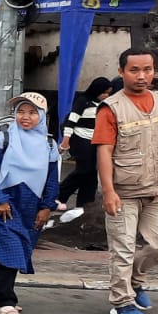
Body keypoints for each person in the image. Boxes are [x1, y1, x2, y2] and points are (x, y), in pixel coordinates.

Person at [94, 48, 158, 314]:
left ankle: (135, 281)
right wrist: (108, 191)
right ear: (122, 72)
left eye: (147, 69)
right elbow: (104, 150)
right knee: (122, 249)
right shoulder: (111, 108)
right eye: (134, 70)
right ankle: (122, 301)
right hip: (124, 193)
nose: (141, 76)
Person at [0, 93, 60, 314]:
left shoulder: (49, 144)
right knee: (11, 246)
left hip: (31, 206)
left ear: (42, 116)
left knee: (21, 248)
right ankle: (7, 299)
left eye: (32, 112)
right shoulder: (3, 137)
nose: (25, 117)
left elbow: (52, 179)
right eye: (21, 112)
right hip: (4, 203)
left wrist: (47, 207)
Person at [57, 76, 114, 212]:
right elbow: (71, 122)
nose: (106, 96)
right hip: (80, 138)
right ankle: (60, 195)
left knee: (92, 172)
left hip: (96, 140)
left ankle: (85, 203)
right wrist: (66, 141)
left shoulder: (105, 105)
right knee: (84, 169)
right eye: (104, 93)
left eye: (108, 93)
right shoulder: (83, 101)